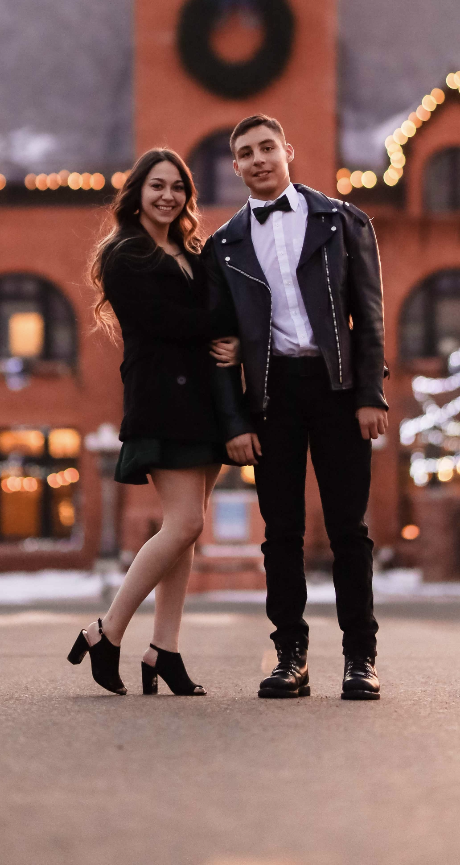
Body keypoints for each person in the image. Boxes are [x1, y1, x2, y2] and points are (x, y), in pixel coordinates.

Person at [206, 114, 388, 701]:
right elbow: (217, 342)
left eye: (266, 148)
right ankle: (291, 657)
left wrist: (369, 395)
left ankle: (360, 658)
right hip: (270, 395)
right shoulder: (224, 245)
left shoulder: (341, 221)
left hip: (337, 391)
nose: (258, 159)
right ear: (235, 167)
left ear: (288, 150)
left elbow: (370, 317)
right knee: (280, 532)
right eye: (245, 153)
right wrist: (233, 422)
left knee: (348, 532)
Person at [67, 148, 239, 697]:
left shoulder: (191, 250)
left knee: (186, 533)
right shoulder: (124, 254)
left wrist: (231, 342)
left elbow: (204, 316)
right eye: (157, 186)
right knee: (183, 524)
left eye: (178, 188)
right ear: (137, 192)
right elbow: (161, 322)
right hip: (163, 400)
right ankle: (107, 630)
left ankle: (165, 649)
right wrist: (225, 323)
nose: (169, 196)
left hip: (205, 402)